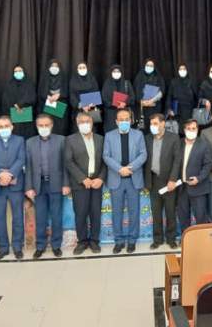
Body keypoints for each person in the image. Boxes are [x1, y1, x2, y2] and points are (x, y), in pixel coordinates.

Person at [25, 114, 70, 258]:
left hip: (56, 184)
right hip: (38, 185)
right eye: (41, 125)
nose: (44, 128)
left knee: (56, 216)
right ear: (36, 126)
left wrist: (66, 184)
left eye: (46, 125)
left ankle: (56, 245)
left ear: (51, 125)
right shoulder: (30, 142)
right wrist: (28, 187)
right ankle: (40, 245)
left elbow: (66, 164)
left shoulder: (61, 140)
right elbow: (28, 167)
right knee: (40, 217)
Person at [103, 109, 147, 254]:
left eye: (126, 119)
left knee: (134, 212)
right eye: (121, 119)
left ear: (131, 120)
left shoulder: (138, 135)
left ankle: (132, 241)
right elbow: (106, 156)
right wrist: (120, 169)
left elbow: (143, 154)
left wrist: (130, 168)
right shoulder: (109, 136)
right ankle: (119, 241)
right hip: (116, 179)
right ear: (116, 121)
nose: (124, 122)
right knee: (116, 212)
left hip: (133, 178)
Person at [0, 116, 26, 261]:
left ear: (12, 126)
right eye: (1, 127)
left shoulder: (20, 140)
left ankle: (17, 247)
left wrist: (10, 174)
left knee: (18, 218)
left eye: (6, 126)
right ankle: (3, 248)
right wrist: (0, 174)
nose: (4, 129)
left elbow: (21, 159)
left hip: (16, 185)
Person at [65, 113, 107, 255]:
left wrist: (100, 178)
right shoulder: (70, 140)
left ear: (92, 122)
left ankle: (94, 240)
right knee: (81, 213)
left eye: (87, 121)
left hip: (96, 183)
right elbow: (68, 161)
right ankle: (82, 241)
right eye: (81, 122)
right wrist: (83, 179)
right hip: (80, 183)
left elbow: (105, 160)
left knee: (95, 213)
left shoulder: (101, 139)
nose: (85, 124)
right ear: (77, 124)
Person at [144, 114, 181, 249]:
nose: (153, 126)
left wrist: (172, 179)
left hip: (168, 181)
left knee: (170, 212)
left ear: (163, 123)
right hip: (153, 180)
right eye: (151, 124)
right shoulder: (147, 138)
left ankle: (171, 239)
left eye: (155, 123)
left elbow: (177, 160)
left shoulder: (174, 138)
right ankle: (157, 239)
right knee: (156, 213)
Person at [177, 119, 212, 230]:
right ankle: (186, 237)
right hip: (182, 187)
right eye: (188, 128)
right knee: (183, 216)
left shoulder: (204, 144)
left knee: (200, 217)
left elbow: (208, 165)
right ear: (184, 130)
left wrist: (199, 178)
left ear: (197, 130)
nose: (191, 131)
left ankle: (201, 238)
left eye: (193, 128)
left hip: (198, 187)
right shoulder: (178, 143)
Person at [2, 64, 37, 139]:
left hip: (26, 115)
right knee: (15, 135)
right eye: (16, 71)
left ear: (24, 72)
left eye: (20, 71)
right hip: (13, 114)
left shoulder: (29, 83)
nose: (18, 72)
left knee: (27, 136)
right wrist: (14, 106)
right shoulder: (9, 84)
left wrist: (20, 104)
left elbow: (32, 97)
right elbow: (6, 99)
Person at [38, 59, 70, 136]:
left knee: (60, 129)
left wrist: (59, 95)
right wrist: (48, 96)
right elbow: (40, 91)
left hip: (61, 107)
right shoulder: (45, 78)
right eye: (52, 66)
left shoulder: (64, 78)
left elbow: (68, 91)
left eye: (56, 66)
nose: (54, 68)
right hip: (48, 107)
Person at [134, 58, 166, 132]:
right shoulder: (139, 77)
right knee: (142, 130)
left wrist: (152, 100)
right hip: (141, 109)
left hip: (154, 108)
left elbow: (162, 91)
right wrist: (141, 101)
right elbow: (135, 91)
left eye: (151, 66)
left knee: (154, 129)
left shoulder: (158, 77)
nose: (149, 67)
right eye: (147, 65)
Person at [102, 64, 135, 133]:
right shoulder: (106, 84)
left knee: (125, 133)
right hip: (111, 115)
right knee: (111, 134)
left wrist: (125, 103)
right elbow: (104, 100)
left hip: (124, 114)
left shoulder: (127, 83)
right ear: (111, 73)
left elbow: (132, 98)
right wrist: (115, 104)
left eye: (118, 71)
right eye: (114, 71)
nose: (116, 73)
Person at [69, 62, 101, 133]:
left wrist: (90, 105)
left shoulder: (92, 79)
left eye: (84, 67)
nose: (82, 69)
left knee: (92, 130)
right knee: (78, 131)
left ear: (87, 68)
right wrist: (81, 105)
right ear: (77, 69)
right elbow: (72, 95)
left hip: (91, 109)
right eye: (80, 68)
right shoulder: (73, 80)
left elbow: (96, 91)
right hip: (78, 110)